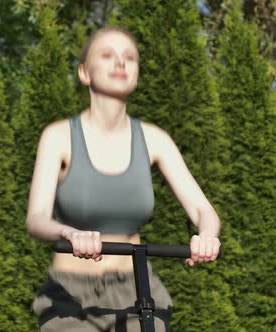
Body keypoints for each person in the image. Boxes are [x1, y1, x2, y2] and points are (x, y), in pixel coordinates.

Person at [26, 26, 221, 331]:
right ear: (84, 73)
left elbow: (202, 210)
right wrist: (70, 234)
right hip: (70, 297)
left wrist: (207, 236)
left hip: (138, 291)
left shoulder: (155, 140)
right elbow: (36, 218)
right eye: (107, 55)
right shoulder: (58, 137)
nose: (120, 63)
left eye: (129, 58)